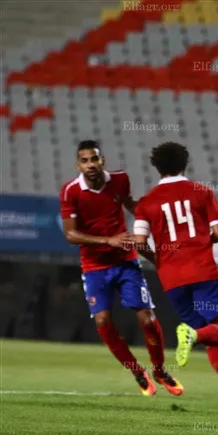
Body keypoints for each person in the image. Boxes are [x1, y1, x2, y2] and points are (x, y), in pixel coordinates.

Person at [133, 142, 218, 405]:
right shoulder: (201, 193)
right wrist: (199, 243)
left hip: (171, 278)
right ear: (185, 163)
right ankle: (192, 336)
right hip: (202, 271)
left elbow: (139, 242)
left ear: (156, 167)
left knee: (212, 333)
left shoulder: (146, 202)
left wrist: (160, 260)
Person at [60, 139, 182, 396]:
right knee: (103, 320)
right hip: (94, 267)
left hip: (126, 261)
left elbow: (129, 203)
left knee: (147, 318)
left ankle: (160, 370)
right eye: (85, 160)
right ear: (78, 165)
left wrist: (150, 216)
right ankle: (137, 371)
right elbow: (71, 235)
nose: (90, 164)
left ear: (102, 160)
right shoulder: (70, 191)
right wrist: (108, 240)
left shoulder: (120, 179)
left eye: (94, 159)